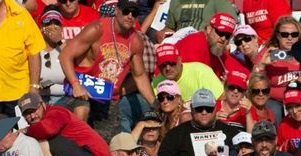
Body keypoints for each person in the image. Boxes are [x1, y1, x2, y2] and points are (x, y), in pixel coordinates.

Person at [58, 0, 155, 142]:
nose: (130, 16)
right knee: (81, 113)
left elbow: (139, 75)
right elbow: (65, 55)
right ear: (116, 11)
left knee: (113, 144)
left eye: (134, 13)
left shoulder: (135, 40)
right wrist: (75, 84)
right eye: (126, 12)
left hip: (107, 98)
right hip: (82, 90)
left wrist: (154, 103)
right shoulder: (97, 28)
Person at [157, 88, 239, 156]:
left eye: (208, 108)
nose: (204, 112)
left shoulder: (231, 132)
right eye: (199, 108)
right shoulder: (177, 133)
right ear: (191, 108)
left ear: (215, 108)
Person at [255, 16, 301, 126]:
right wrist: (262, 65)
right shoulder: (268, 52)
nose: (290, 38)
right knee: (274, 109)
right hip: (275, 101)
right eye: (285, 34)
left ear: (299, 36)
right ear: (278, 35)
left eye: (294, 34)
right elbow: (252, 82)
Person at [151, 43, 223, 103]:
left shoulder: (200, 71)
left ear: (179, 59)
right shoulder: (156, 83)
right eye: (163, 65)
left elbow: (221, 98)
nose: (168, 68)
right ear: (158, 66)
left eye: (171, 63)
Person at [38, 7, 67, 104]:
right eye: (48, 23)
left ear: (62, 28)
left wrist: (59, 41)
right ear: (41, 27)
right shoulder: (34, 48)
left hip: (65, 98)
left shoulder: (67, 47)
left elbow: (73, 61)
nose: (53, 27)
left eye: (56, 23)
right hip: (39, 98)